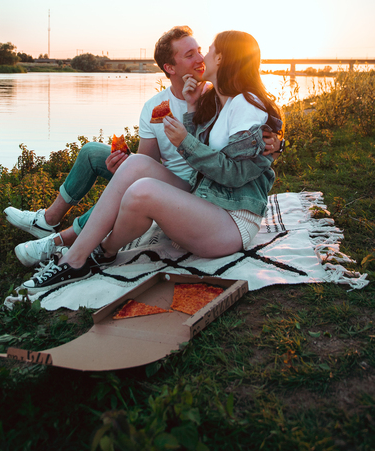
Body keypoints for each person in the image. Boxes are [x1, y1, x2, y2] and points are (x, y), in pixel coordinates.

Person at [21, 30, 284, 293]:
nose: (203, 57)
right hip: (207, 200)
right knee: (134, 165)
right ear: (170, 68)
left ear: (223, 59)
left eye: (208, 50)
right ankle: (84, 255)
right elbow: (209, 152)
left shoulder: (245, 105)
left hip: (232, 221)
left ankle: (85, 253)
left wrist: (186, 141)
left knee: (142, 191)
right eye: (193, 53)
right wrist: (192, 110)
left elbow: (235, 172)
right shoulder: (220, 101)